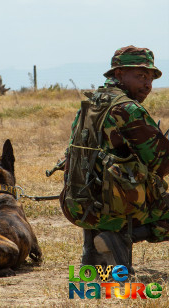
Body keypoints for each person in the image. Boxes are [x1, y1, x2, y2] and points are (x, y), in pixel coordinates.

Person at [60, 45, 169, 273]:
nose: (148, 85)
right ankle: (122, 237)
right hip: (114, 210)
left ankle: (92, 254)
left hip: (80, 207)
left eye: (150, 78)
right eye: (141, 76)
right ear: (119, 74)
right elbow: (162, 163)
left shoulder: (91, 104)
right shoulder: (127, 109)